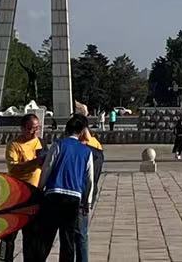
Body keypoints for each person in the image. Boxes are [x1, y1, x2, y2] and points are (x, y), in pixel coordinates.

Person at [26, 115, 97, 262]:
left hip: (54, 194)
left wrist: (40, 189)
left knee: (46, 237)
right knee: (67, 239)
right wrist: (87, 202)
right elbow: (89, 179)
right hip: (73, 198)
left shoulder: (58, 145)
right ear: (82, 132)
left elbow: (47, 168)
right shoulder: (87, 151)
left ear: (67, 129)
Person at [0, 115, 45, 262]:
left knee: (31, 234)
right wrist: (34, 162)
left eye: (37, 128)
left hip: (35, 196)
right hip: (17, 195)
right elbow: (13, 168)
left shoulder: (41, 143)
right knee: (9, 234)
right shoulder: (14, 145)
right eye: (31, 129)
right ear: (23, 128)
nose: (35, 132)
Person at [72, 106, 105, 262]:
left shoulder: (86, 148)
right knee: (80, 232)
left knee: (78, 233)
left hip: (80, 193)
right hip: (87, 193)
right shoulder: (96, 144)